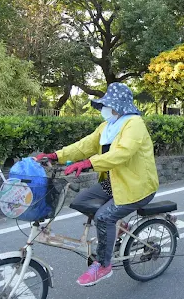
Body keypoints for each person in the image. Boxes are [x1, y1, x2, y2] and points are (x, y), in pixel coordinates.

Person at [35, 83, 159, 286]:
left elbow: (122, 153)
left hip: (137, 186)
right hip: (115, 183)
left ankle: (103, 265)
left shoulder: (134, 124)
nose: (104, 109)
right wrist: (56, 156)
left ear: (118, 106)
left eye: (108, 105)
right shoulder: (107, 127)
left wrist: (88, 163)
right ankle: (121, 226)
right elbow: (84, 145)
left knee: (103, 217)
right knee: (81, 201)